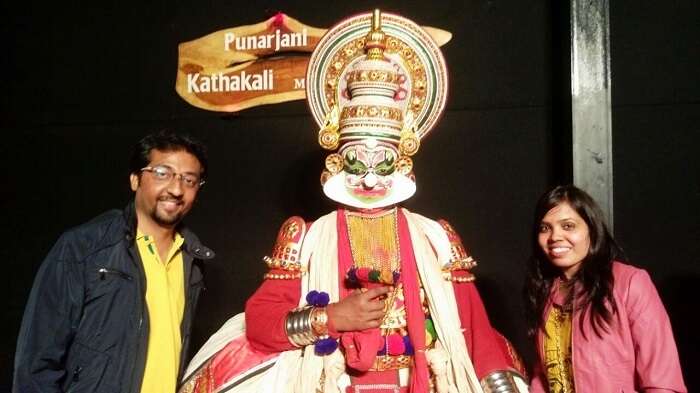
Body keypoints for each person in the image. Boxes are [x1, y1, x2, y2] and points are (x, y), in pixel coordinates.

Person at [179, 10, 526, 393]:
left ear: (404, 161)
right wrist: (331, 317)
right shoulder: (304, 237)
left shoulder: (435, 237)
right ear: (336, 161)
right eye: (356, 160)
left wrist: (504, 387)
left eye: (384, 162)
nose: (370, 176)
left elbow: (476, 332)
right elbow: (261, 324)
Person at [13, 130, 215, 393]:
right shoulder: (84, 248)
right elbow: (34, 366)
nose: (176, 189)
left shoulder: (192, 259)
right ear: (135, 179)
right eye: (162, 173)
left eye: (189, 180)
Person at [524, 185, 686, 393]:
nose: (555, 236)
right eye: (545, 228)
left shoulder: (629, 283)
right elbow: (544, 376)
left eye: (568, 226)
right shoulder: (547, 293)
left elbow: (663, 382)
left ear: (591, 229)